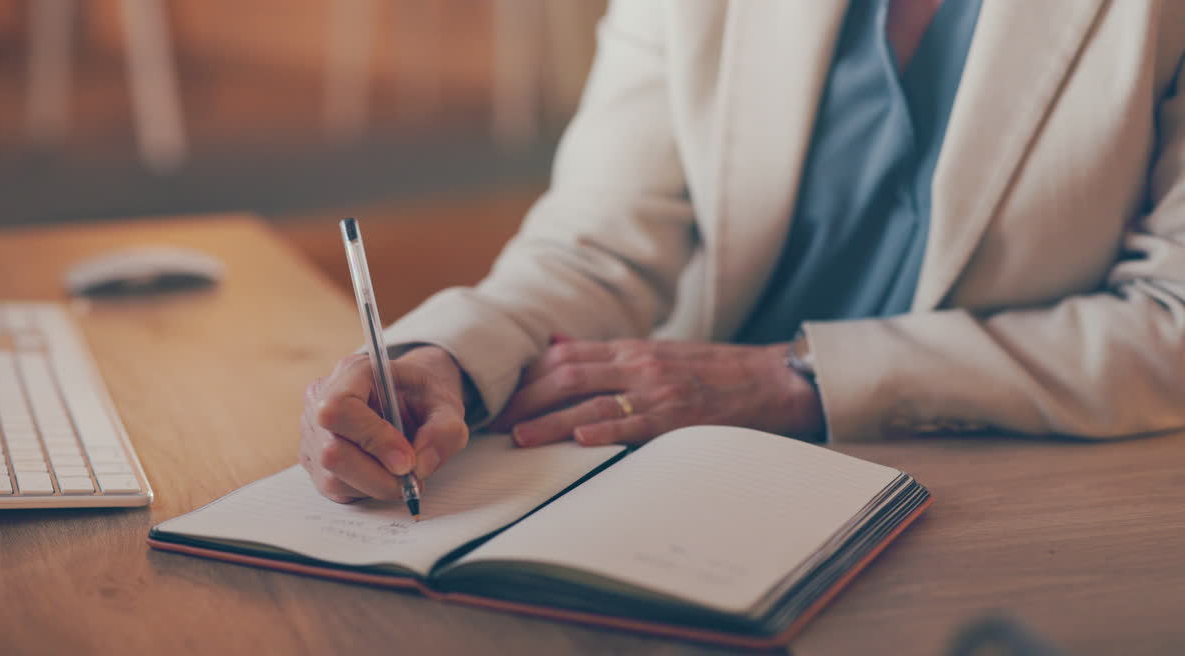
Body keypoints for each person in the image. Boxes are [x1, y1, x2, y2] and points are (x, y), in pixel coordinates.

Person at [300, 0, 1185, 504]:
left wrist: (795, 380)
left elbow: (1171, 320)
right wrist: (445, 358)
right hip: (693, 476)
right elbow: (598, 243)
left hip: (1012, 490)